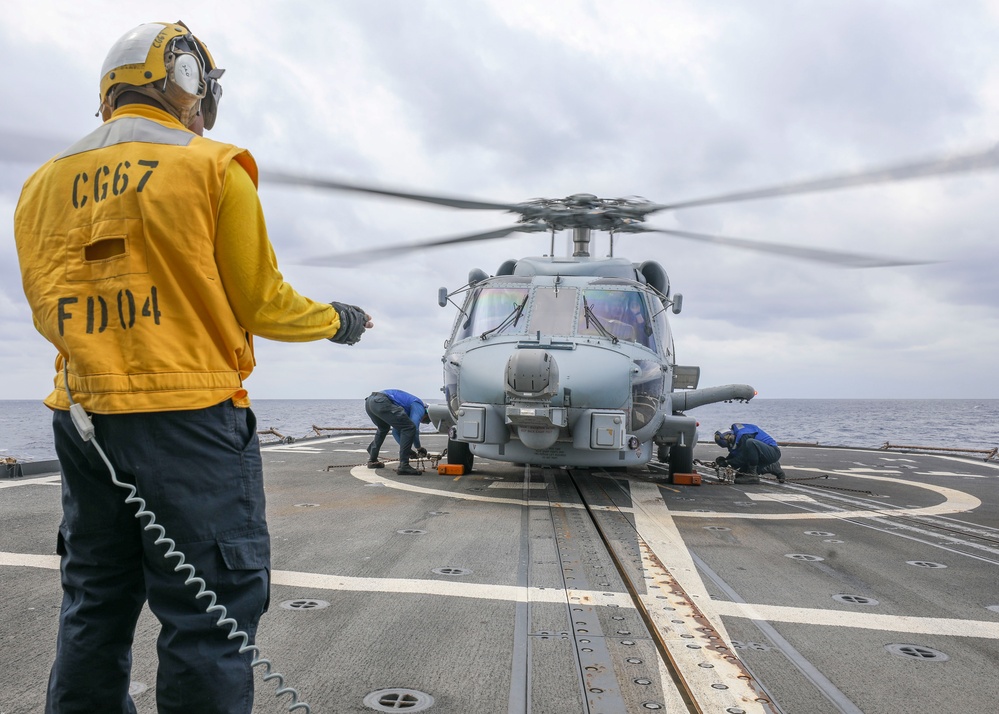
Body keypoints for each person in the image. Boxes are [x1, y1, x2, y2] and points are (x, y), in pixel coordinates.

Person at [13, 21, 372, 714]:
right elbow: (262, 301)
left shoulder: (40, 185)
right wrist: (338, 320)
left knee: (94, 600)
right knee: (210, 615)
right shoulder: (212, 166)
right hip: (190, 420)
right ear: (185, 80)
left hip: (81, 420)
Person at [365, 390, 431, 475]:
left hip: (370, 402)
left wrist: (408, 450)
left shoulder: (408, 409)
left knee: (383, 428)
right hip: (381, 401)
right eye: (425, 420)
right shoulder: (420, 406)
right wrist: (419, 448)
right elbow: (414, 427)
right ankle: (404, 466)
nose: (422, 421)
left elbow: (395, 432)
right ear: (426, 412)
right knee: (409, 427)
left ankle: (372, 459)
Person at [714, 423, 787, 484]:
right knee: (740, 475)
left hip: (773, 452)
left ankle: (753, 475)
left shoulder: (744, 435)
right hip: (761, 456)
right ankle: (772, 467)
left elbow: (742, 457)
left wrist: (727, 462)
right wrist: (724, 461)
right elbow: (738, 455)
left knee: (750, 443)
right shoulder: (737, 437)